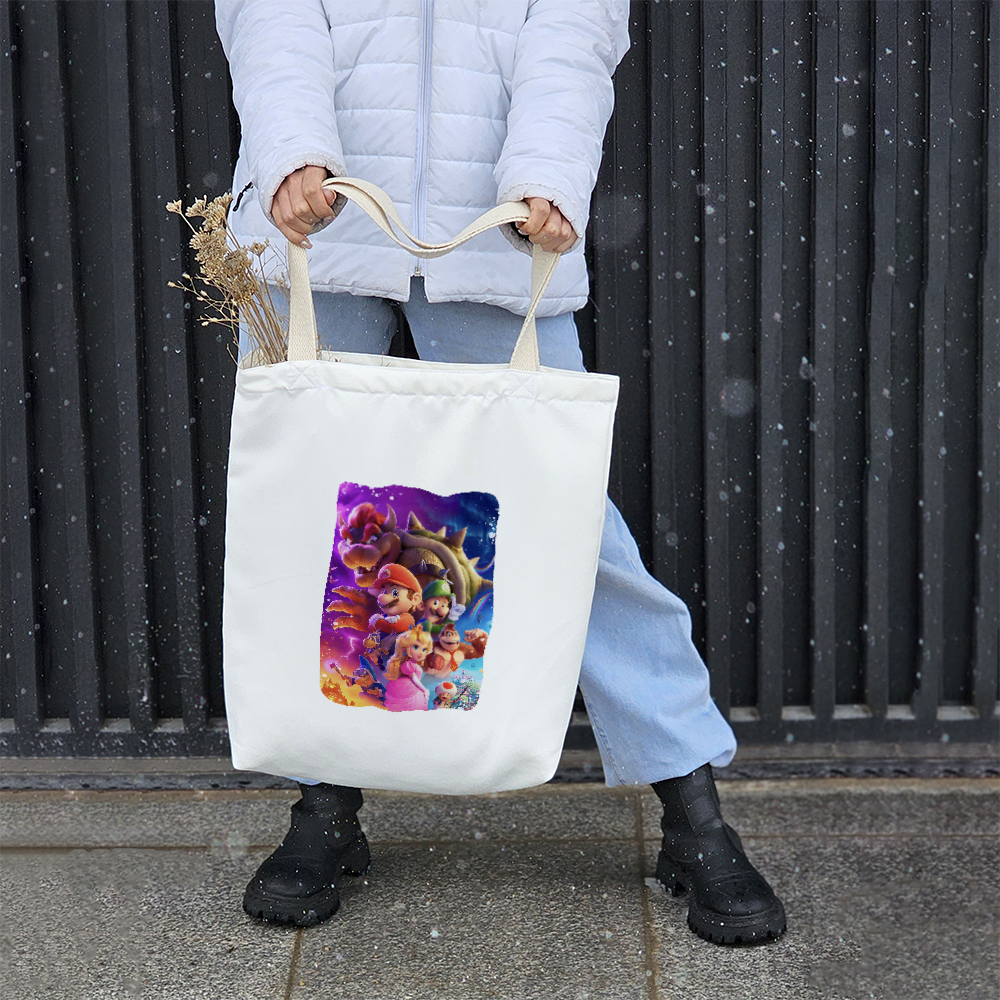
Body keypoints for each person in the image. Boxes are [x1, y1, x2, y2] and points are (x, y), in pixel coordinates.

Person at [216, 0, 786, 945]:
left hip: (495, 232)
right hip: (316, 228)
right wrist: (291, 152)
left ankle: (693, 812)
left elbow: (573, 26)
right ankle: (323, 803)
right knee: (315, 531)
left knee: (569, 530)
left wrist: (548, 174)